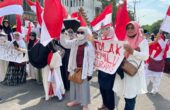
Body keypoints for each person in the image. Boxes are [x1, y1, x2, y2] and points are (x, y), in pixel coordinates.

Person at [113, 21, 149, 110]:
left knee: (130, 97)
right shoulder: (123, 40)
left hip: (133, 73)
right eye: (128, 28)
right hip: (123, 71)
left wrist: (132, 51)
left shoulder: (143, 41)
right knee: (127, 95)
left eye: (132, 28)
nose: (130, 30)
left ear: (137, 28)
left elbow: (145, 56)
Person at [60, 27, 95, 110]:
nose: (79, 34)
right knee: (74, 85)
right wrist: (62, 34)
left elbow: (91, 60)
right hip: (74, 68)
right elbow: (64, 43)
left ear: (85, 33)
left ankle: (85, 104)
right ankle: (76, 100)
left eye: (82, 33)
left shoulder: (88, 45)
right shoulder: (75, 42)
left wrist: (90, 73)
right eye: (78, 32)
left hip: (84, 69)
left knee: (84, 87)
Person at [97, 25, 117, 110]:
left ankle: (110, 107)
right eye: (103, 29)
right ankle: (104, 104)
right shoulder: (100, 40)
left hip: (110, 70)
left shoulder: (115, 41)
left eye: (106, 29)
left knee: (109, 89)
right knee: (102, 88)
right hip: (102, 69)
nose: (104, 31)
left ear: (111, 30)